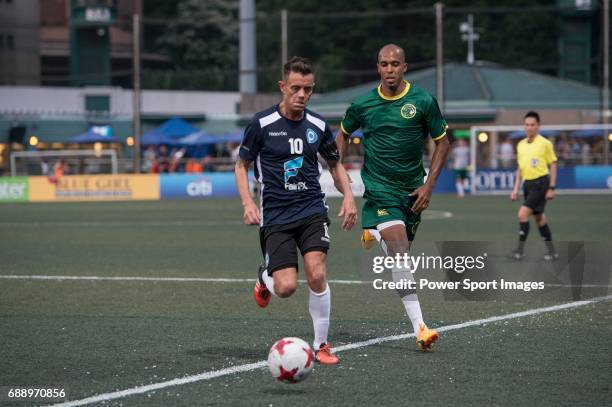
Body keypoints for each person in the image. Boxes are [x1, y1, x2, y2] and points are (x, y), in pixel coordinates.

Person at [235, 57, 357, 365]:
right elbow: (241, 166)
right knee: (286, 287)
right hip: (276, 216)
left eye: (308, 89)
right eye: (296, 88)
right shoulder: (261, 125)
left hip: (312, 210)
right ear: (282, 87)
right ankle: (264, 278)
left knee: (317, 273)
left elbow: (335, 164)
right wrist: (248, 203)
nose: (302, 95)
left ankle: (322, 345)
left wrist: (349, 198)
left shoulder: (317, 126)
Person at [336, 44, 450, 351]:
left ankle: (372, 230)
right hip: (379, 190)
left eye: (395, 64)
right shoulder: (363, 104)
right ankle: (421, 327)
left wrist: (428, 185)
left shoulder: (423, 101)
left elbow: (443, 142)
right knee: (400, 253)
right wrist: (339, 169)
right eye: (384, 64)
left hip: (412, 191)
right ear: (378, 68)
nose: (389, 69)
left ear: (404, 67)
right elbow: (343, 133)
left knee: (400, 251)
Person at [510, 111, 558, 261]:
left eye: (532, 124)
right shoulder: (521, 145)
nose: (529, 127)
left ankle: (519, 250)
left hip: (541, 183)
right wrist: (515, 189)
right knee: (540, 219)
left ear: (538, 126)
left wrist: (552, 187)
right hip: (528, 185)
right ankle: (552, 252)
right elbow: (520, 169)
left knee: (522, 214)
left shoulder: (545, 143)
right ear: (523, 126)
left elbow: (553, 164)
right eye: (527, 124)